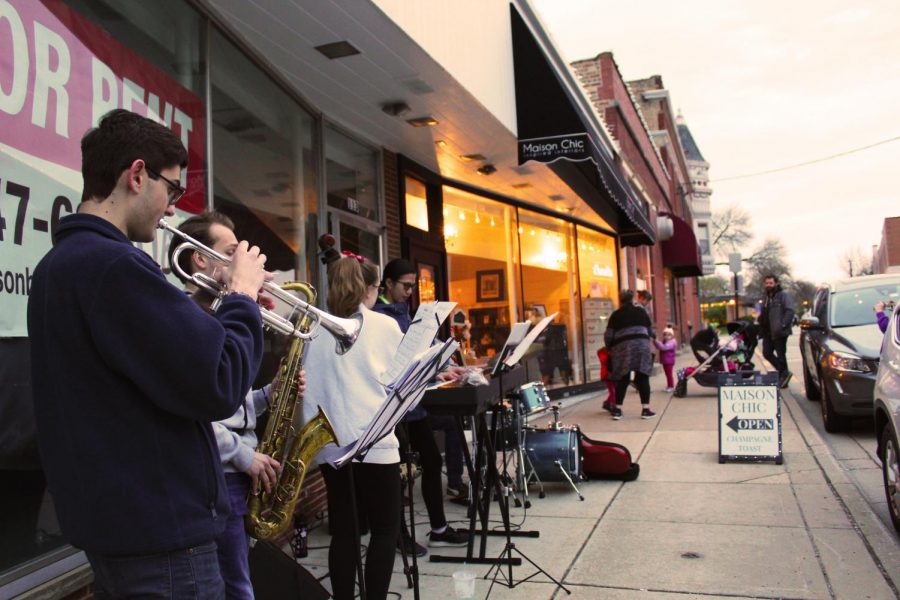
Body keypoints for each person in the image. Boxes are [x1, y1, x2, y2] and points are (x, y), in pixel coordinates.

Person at [27, 109, 268, 598]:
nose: (172, 209)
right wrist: (242, 296)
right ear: (137, 175)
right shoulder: (116, 265)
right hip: (162, 541)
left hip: (122, 530)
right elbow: (219, 383)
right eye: (172, 190)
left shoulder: (59, 266)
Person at [169, 211, 289, 599]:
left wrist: (271, 393)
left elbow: (228, 401)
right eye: (231, 252)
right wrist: (243, 456)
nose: (242, 262)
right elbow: (190, 412)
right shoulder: (186, 317)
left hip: (235, 470)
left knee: (239, 576)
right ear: (200, 259)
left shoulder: (219, 314)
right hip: (219, 473)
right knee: (237, 585)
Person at [302, 255, 402, 600]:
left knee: (344, 531)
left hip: (331, 446)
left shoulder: (314, 328)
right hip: (375, 443)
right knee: (385, 530)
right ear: (370, 289)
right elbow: (402, 387)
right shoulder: (384, 326)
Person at [373, 259, 469, 549]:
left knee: (430, 459)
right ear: (387, 283)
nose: (410, 292)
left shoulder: (407, 313)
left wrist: (442, 364)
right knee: (399, 474)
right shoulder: (381, 316)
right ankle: (399, 535)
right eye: (405, 286)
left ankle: (438, 529)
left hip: (414, 406)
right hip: (394, 408)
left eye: (413, 286)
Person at [604, 289, 655, 420]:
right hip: (642, 348)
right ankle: (646, 410)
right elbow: (649, 331)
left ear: (620, 301)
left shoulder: (615, 315)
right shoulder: (641, 312)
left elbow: (608, 335)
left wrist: (610, 348)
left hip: (622, 349)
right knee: (643, 377)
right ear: (632, 299)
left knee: (623, 378)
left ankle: (617, 411)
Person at [758, 275, 795, 388]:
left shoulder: (783, 295)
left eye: (770, 283)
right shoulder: (766, 297)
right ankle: (784, 373)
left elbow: (790, 310)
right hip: (767, 331)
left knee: (780, 354)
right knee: (767, 353)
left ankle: (783, 376)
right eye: (767, 283)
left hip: (779, 331)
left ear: (776, 283)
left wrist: (782, 324)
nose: (768, 285)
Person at [655, 327, 678, 393]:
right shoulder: (665, 341)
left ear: (672, 336)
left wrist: (657, 342)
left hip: (669, 361)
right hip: (665, 361)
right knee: (667, 374)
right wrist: (655, 341)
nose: (666, 336)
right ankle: (669, 386)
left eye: (669, 335)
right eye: (665, 335)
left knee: (669, 374)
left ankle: (671, 386)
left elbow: (663, 348)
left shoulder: (672, 342)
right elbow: (659, 347)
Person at [597, 346, 616, 412]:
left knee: (613, 391)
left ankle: (607, 403)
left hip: (610, 374)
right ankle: (613, 406)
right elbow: (605, 361)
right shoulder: (604, 353)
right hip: (607, 375)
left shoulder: (606, 352)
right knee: (614, 392)